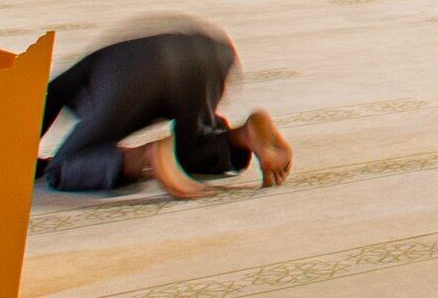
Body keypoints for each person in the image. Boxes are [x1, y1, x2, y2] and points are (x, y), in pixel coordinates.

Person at [37, 19, 291, 198]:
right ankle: (244, 135)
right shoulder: (76, 75)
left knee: (62, 168)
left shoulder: (53, 92)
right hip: (208, 52)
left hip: (131, 74)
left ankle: (146, 155)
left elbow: (32, 119)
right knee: (191, 148)